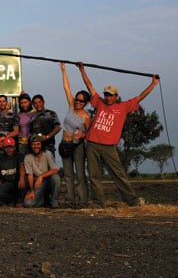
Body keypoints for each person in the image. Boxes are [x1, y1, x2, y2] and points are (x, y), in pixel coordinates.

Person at [78, 62, 160, 207]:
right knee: (94, 175)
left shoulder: (123, 107)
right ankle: (98, 202)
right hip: (92, 143)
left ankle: (132, 200)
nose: (108, 97)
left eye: (110, 95)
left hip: (109, 146)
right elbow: (89, 85)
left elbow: (140, 96)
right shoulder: (99, 102)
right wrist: (82, 69)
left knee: (118, 174)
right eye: (106, 95)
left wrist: (153, 84)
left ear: (116, 96)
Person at [59, 63, 91, 208]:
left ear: (86, 103)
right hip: (65, 144)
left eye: (81, 101)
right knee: (67, 174)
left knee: (79, 173)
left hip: (77, 145)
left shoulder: (86, 116)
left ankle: (83, 200)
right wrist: (63, 71)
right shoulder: (71, 106)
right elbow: (67, 88)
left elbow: (89, 133)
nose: (77, 102)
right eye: (77, 99)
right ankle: (70, 200)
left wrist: (82, 135)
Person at [24, 137, 61, 208]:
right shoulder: (28, 157)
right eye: (33, 144)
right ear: (30, 146)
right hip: (38, 182)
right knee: (28, 203)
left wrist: (42, 176)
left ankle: (54, 202)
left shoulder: (47, 153)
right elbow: (30, 175)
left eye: (38, 144)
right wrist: (31, 191)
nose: (36, 146)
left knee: (56, 178)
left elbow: (55, 169)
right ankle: (44, 200)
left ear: (42, 145)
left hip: (48, 179)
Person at [0, 137, 26, 207]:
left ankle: (19, 200)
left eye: (11, 147)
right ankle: (12, 201)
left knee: (24, 180)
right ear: (3, 148)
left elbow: (22, 166)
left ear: (14, 148)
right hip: (6, 182)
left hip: (17, 181)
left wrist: (22, 178)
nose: (9, 150)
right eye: (6, 147)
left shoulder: (19, 155)